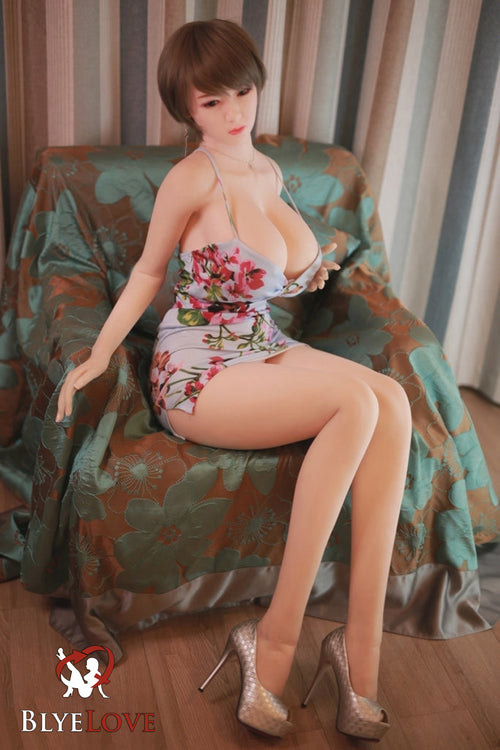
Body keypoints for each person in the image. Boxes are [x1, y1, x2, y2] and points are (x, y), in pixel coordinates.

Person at [56, 19, 412, 742]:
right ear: (187, 108)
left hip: (259, 341)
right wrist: (95, 357)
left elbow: (272, 270)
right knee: (353, 402)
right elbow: (148, 273)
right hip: (197, 369)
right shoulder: (192, 178)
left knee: (393, 400)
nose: (233, 112)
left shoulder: (268, 171)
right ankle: (274, 641)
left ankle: (360, 651)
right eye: (211, 101)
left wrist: (309, 271)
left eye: (242, 92)